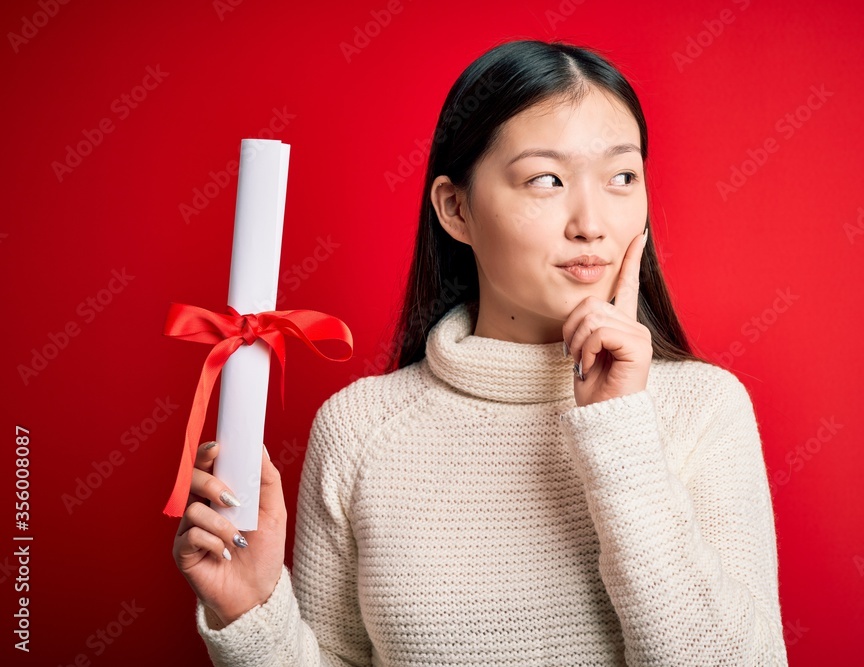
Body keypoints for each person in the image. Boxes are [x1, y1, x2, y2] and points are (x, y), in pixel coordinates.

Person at [173, 38, 789, 666]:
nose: (592, 222)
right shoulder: (358, 429)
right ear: (456, 208)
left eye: (622, 177)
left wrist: (621, 432)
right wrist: (250, 614)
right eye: (546, 179)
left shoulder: (704, 409)